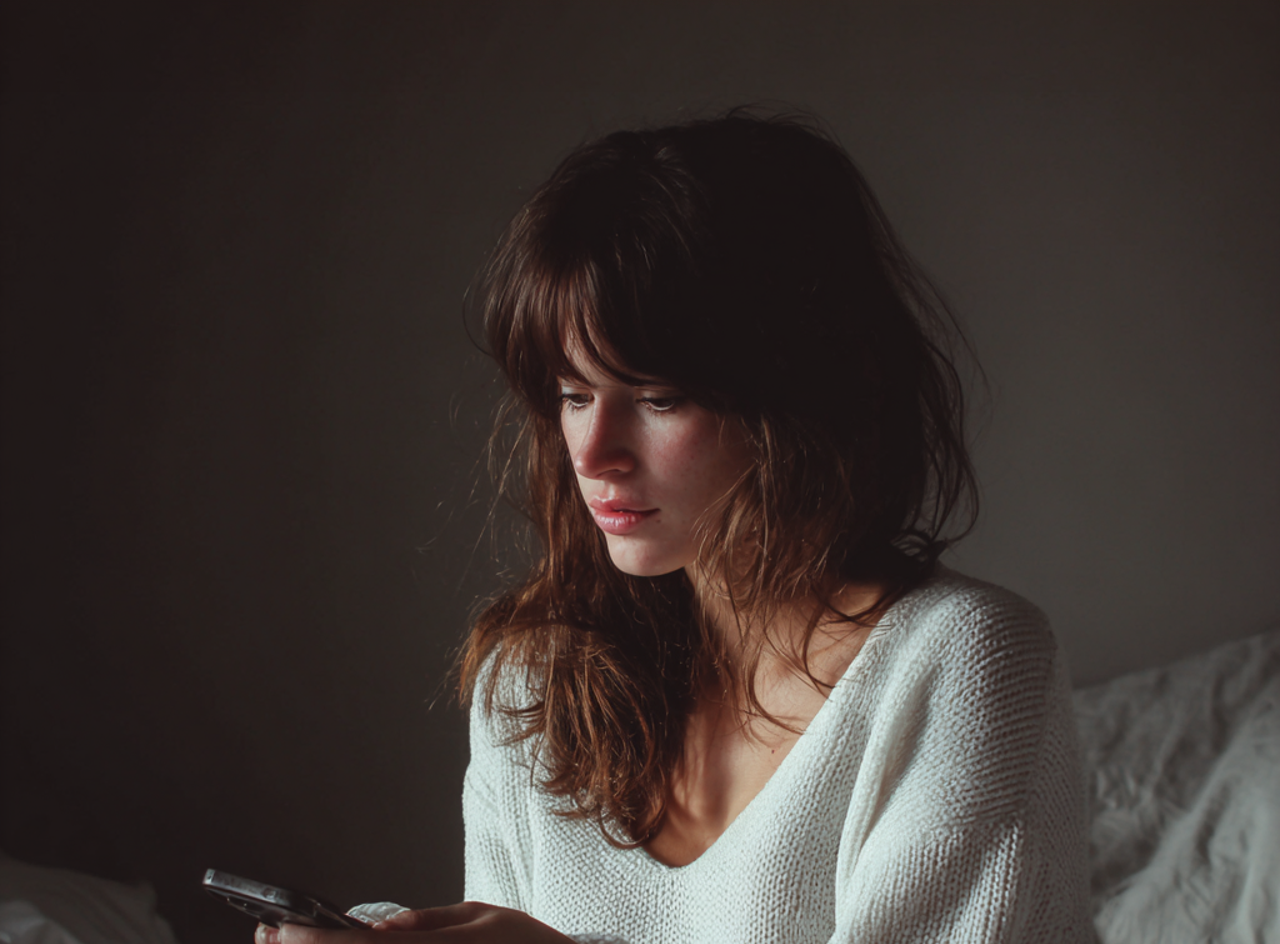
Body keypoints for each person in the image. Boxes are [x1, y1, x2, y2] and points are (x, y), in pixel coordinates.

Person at [266, 110, 1094, 944]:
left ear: (801, 395)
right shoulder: (534, 685)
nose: (593, 454)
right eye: (572, 394)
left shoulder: (964, 664)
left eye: (659, 398)